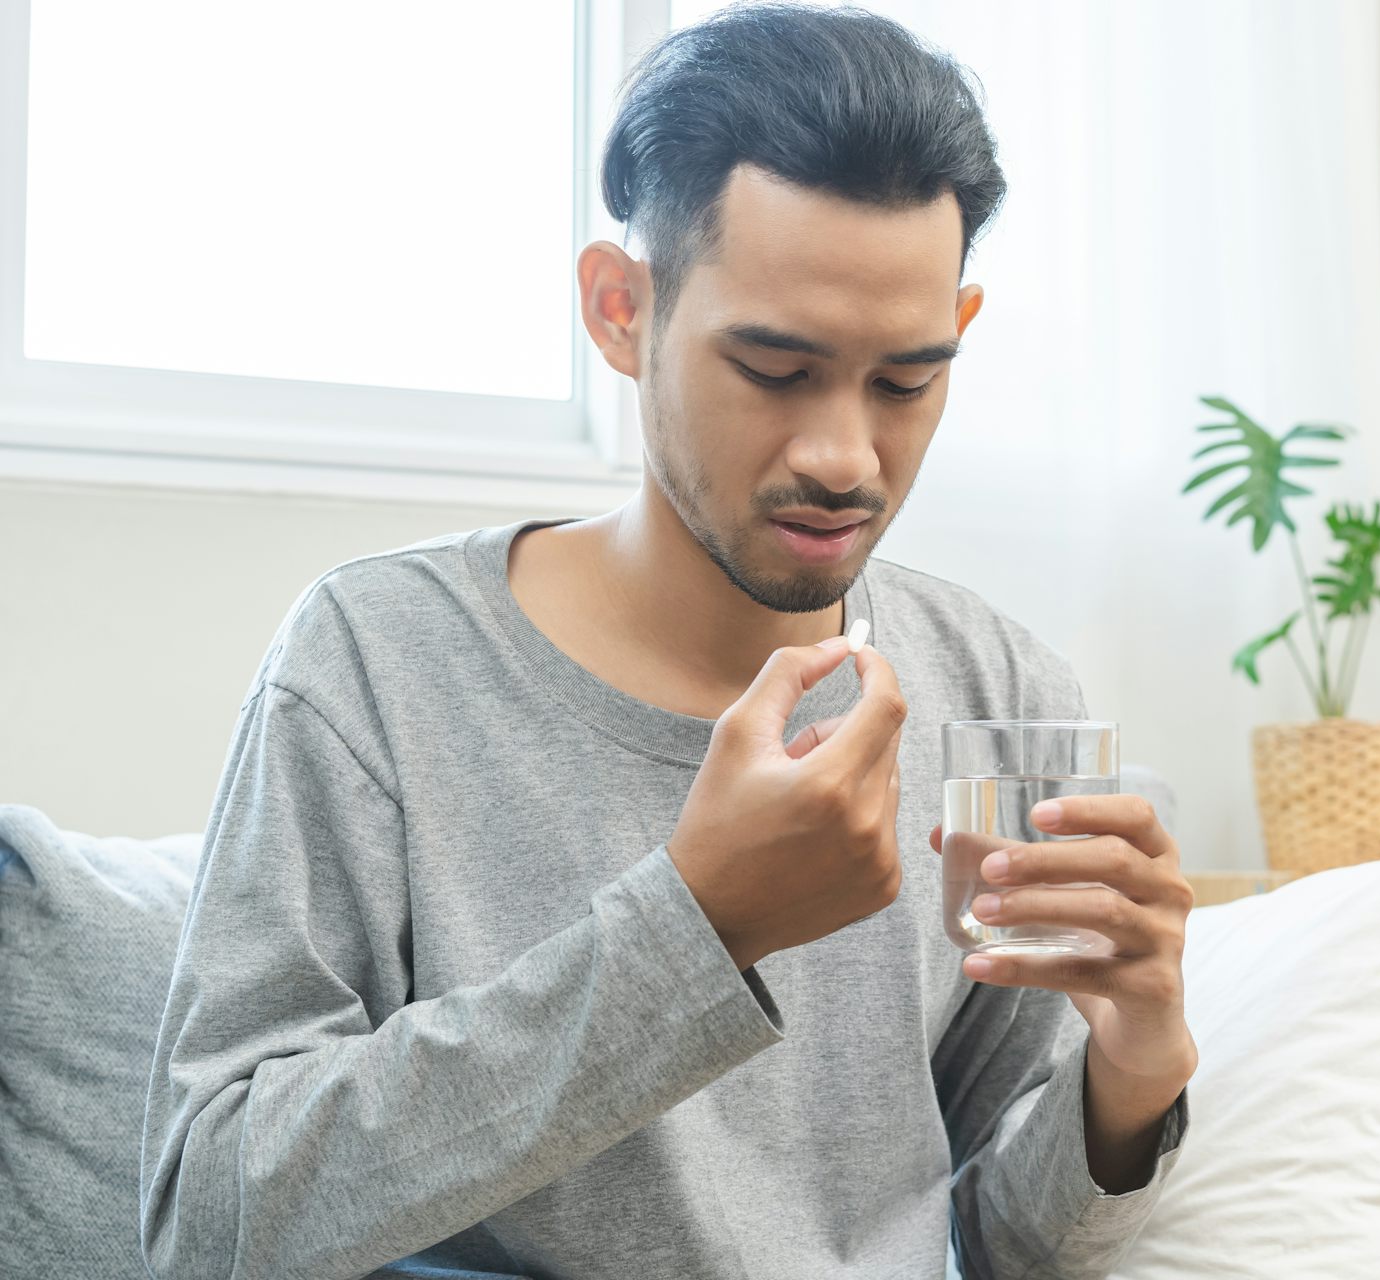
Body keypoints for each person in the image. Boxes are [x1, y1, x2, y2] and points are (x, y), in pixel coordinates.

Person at [138, 5, 1194, 1277]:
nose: (845, 455)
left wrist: (1136, 1066)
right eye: (775, 367)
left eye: (907, 381)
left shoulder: (1000, 686)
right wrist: (694, 927)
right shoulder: (378, 659)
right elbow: (211, 1215)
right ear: (620, 308)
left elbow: (1005, 1238)